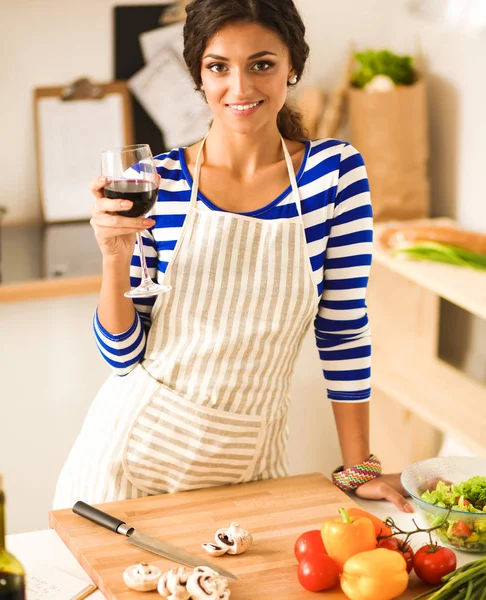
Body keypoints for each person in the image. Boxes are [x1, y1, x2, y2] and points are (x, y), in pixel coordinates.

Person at [53, 0, 413, 513]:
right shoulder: (158, 181)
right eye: (218, 67)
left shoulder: (334, 175)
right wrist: (114, 258)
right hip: (129, 463)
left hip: (248, 465)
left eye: (261, 64)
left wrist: (359, 471)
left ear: (293, 66)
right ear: (199, 75)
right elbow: (122, 357)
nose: (240, 88)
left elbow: (343, 330)